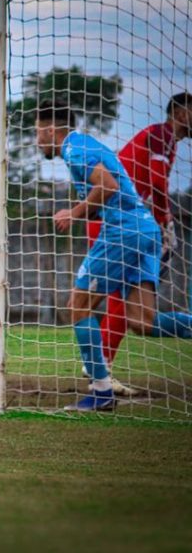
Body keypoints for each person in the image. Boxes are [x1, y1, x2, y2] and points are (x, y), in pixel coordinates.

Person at [37, 101, 192, 411]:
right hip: (146, 230)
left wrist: (74, 213)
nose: (36, 140)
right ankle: (102, 387)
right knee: (141, 321)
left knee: (78, 307)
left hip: (123, 231)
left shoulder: (74, 149)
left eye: (37, 133)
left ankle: (100, 391)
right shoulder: (85, 145)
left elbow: (106, 186)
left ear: (51, 130)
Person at [88, 92, 192, 384]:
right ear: (181, 113)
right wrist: (165, 220)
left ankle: (100, 367)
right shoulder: (162, 134)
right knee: (127, 301)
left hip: (113, 219)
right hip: (112, 220)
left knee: (122, 300)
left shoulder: (165, 140)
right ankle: (100, 368)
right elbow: (158, 181)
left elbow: (155, 182)